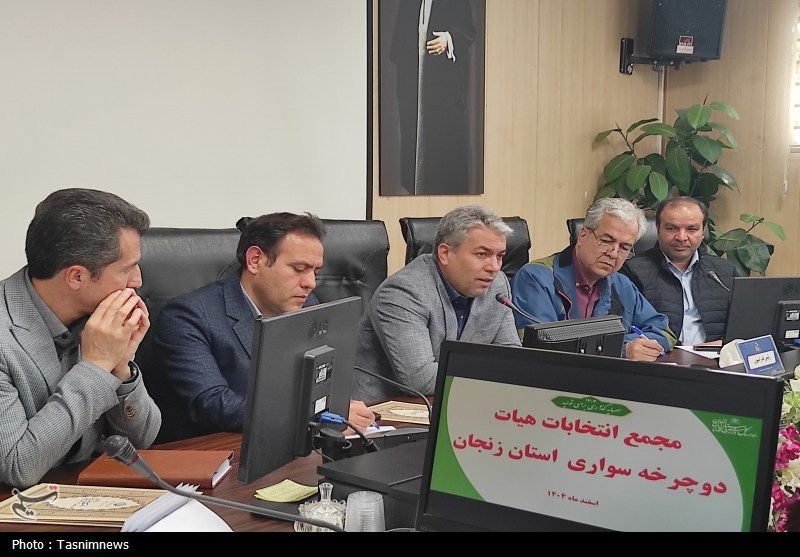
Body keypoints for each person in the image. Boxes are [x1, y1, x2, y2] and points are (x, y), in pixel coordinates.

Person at [150, 213, 374, 443]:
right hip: (219, 452)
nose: (310, 283)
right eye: (299, 269)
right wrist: (320, 416)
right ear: (255, 260)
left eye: (315, 272)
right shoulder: (188, 316)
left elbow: (322, 381)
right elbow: (214, 404)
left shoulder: (307, 304)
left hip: (291, 445)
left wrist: (337, 406)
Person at [0, 188, 162, 489]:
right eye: (127, 269)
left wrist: (121, 366)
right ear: (77, 277)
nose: (138, 280)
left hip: (89, 491)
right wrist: (97, 366)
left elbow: (142, 440)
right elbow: (17, 467)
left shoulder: (100, 317)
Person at [352, 205, 521, 403]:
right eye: (482, 254)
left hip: (460, 402)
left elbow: (514, 359)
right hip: (384, 411)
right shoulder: (404, 291)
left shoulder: (497, 285)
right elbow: (421, 380)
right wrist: (495, 368)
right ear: (445, 254)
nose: (494, 267)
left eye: (499, 256)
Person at [510, 198, 676, 361]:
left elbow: (664, 332)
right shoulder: (535, 278)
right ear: (583, 235)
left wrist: (634, 346)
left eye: (624, 247)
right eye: (606, 241)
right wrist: (620, 349)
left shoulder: (621, 284)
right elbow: (541, 348)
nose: (614, 253)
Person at [620, 197, 737, 346]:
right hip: (664, 356)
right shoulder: (632, 271)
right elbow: (626, 330)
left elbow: (743, 324)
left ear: (703, 231)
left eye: (691, 229)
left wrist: (725, 344)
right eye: (672, 228)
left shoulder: (724, 271)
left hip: (716, 355)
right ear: (658, 228)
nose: (681, 237)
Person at [391, 0, 477, 194]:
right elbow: (399, 39)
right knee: (414, 134)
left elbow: (468, 30)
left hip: (443, 83)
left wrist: (448, 39)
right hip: (413, 78)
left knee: (443, 143)